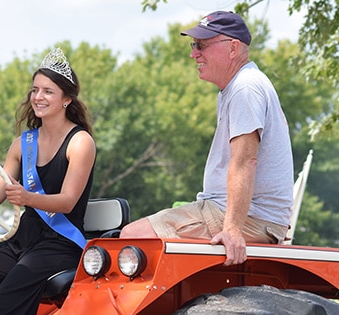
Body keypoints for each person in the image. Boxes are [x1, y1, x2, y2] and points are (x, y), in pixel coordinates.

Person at [120, 11, 294, 266]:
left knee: (133, 236)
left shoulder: (245, 88)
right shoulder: (239, 87)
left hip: (250, 218)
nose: (194, 54)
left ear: (233, 48)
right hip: (252, 216)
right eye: (194, 45)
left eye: (201, 45)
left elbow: (245, 161)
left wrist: (233, 230)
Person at [0, 47, 96, 315]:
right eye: (35, 90)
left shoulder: (80, 142)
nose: (38, 97)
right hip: (22, 239)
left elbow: (67, 202)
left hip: (60, 243)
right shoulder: (22, 144)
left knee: (4, 303)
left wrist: (28, 198)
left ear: (66, 99)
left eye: (48, 91)